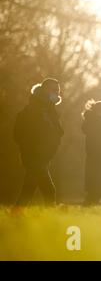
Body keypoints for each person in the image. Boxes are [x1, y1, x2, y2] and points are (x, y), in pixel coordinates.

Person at [14, 78, 64, 206]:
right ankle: (18, 212)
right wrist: (31, 151)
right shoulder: (32, 109)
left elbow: (57, 132)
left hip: (44, 157)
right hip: (34, 157)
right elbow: (19, 133)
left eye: (57, 90)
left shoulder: (51, 111)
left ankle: (17, 212)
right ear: (43, 90)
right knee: (45, 190)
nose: (56, 93)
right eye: (52, 90)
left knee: (34, 188)